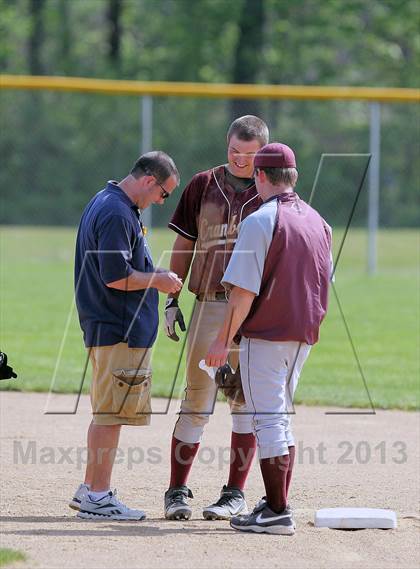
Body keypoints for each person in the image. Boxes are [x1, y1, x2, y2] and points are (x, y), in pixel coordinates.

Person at [206, 142, 332, 535]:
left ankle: (277, 510)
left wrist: (221, 341)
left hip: (267, 336)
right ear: (293, 177)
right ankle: (276, 502)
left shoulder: (261, 220)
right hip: (303, 336)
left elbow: (242, 293)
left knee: (268, 421)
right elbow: (322, 283)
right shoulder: (318, 222)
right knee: (280, 417)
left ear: (260, 175)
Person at [163, 116, 269, 521]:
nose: (241, 161)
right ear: (226, 146)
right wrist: (172, 298)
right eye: (234, 152)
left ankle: (234, 494)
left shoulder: (271, 191)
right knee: (196, 400)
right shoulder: (202, 184)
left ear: (263, 151)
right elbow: (183, 242)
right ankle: (176, 491)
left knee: (243, 402)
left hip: (253, 307)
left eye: (250, 154)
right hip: (208, 302)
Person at [71, 151, 183, 521]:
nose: (161, 201)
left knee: (106, 409)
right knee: (111, 414)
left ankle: (90, 487)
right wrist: (160, 280)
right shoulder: (118, 212)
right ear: (149, 181)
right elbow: (115, 276)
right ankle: (98, 496)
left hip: (108, 324)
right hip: (118, 327)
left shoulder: (107, 201)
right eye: (164, 193)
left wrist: (153, 274)